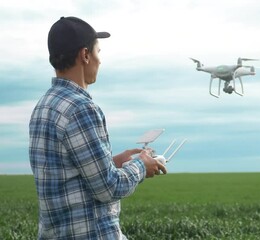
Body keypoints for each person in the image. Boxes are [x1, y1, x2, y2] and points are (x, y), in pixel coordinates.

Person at [29, 16, 166, 239]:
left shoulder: (44, 105)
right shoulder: (81, 108)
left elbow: (67, 176)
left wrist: (114, 162)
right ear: (85, 55)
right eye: (98, 52)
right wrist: (142, 165)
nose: (99, 60)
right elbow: (108, 188)